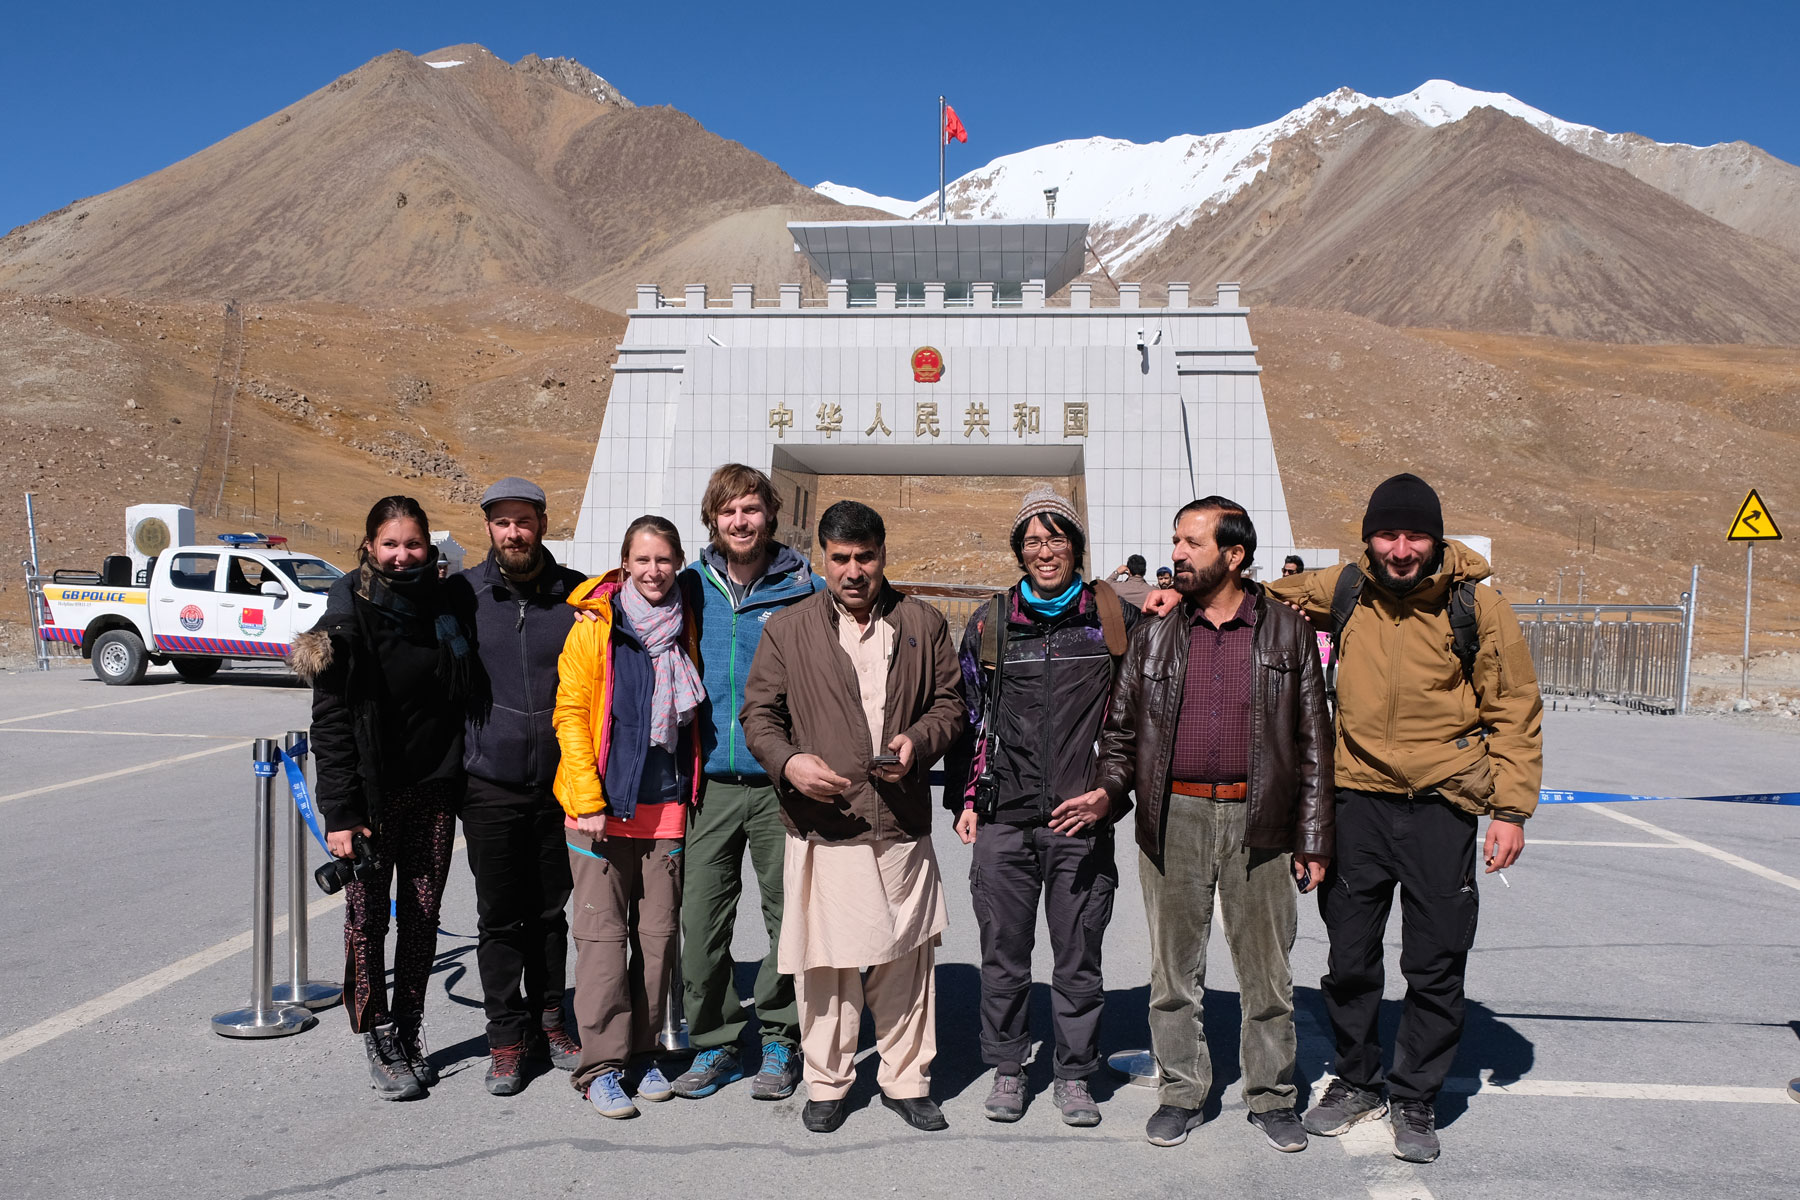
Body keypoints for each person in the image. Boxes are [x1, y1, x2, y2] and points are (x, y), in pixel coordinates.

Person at [1265, 473, 1543, 1164]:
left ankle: (1415, 1096)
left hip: (1443, 805)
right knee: (1350, 957)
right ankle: (1358, 1081)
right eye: (1387, 534)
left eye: (1414, 534)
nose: (1399, 548)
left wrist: (1510, 809)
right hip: (1355, 798)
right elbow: (1258, 596)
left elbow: (1514, 708)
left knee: (1435, 959)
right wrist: (1183, 593)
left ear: (1436, 538)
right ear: (1368, 539)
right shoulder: (1347, 587)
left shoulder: (1475, 605)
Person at [1094, 496, 1332, 1150]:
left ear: (1234, 554)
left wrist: (1313, 836)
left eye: (1192, 542)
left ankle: (1272, 1095)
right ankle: (1181, 1091)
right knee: (1174, 975)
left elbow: (1315, 739)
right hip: (1174, 816)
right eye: (1176, 540)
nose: (1177, 553)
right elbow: (1119, 733)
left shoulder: (1286, 631)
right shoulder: (1156, 630)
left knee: (1267, 975)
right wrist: (1106, 800)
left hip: (1263, 819)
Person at [740, 500, 964, 1135]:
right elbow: (761, 715)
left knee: (907, 958)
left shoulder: (921, 622)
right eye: (840, 558)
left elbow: (950, 703)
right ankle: (828, 1082)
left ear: (883, 555)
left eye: (865, 557)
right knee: (827, 964)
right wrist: (788, 764)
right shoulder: (788, 628)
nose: (854, 570)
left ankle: (906, 1079)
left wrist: (918, 742)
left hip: (899, 819)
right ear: (822, 559)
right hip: (825, 819)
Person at [942, 488, 1138, 1127]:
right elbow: (972, 716)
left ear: (1077, 547)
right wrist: (967, 799)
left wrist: (1111, 791)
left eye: (1056, 538)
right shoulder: (991, 622)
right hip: (1005, 815)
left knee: (1078, 956)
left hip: (1081, 819)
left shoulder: (1110, 619)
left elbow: (1133, 720)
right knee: (1003, 952)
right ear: (1018, 551)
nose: (1044, 551)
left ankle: (1075, 1074)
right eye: (1032, 540)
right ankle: (1007, 1067)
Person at [294, 495, 475, 1100]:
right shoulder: (347, 615)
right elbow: (332, 721)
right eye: (390, 544)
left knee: (422, 918)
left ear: (431, 548)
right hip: (371, 801)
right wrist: (340, 813)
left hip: (434, 792)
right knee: (368, 920)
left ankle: (409, 1028)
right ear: (369, 546)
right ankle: (376, 1034)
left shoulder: (448, 606)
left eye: (413, 544)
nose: (403, 556)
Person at [671, 464, 821, 1101]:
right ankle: (716, 1043)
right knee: (700, 923)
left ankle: (783, 1036)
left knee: (788, 920)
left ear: (771, 516)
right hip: (710, 783)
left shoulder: (805, 590)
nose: (741, 521)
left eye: (752, 509)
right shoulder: (687, 588)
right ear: (712, 517)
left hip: (783, 783)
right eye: (728, 510)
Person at [552, 515, 705, 1120]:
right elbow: (570, 713)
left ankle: (639, 1057)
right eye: (641, 560)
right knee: (600, 943)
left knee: (658, 942)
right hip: (599, 812)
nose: (653, 572)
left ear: (678, 563)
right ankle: (600, 1068)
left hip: (664, 807)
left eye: (664, 560)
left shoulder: (684, 624)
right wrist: (586, 798)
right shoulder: (595, 628)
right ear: (623, 564)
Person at [445, 477, 588, 1096]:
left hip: (559, 786)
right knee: (500, 917)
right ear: (488, 530)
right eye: (502, 522)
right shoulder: (461, 594)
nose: (513, 533)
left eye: (523, 521)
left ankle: (551, 1019)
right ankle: (506, 1036)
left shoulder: (576, 595)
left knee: (550, 913)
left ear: (541, 523)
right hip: (489, 785)